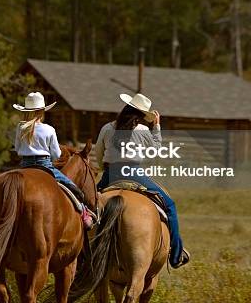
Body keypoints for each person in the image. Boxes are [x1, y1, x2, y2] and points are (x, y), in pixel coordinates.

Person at [94, 91, 190, 269]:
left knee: (86, 205)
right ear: (141, 115)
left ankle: (80, 252)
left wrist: (105, 170)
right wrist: (157, 126)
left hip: (110, 173)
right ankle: (176, 254)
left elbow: (99, 152)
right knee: (170, 206)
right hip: (134, 172)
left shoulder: (107, 128)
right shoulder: (143, 130)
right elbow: (156, 148)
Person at [13, 91, 92, 227]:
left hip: (25, 165)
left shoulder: (21, 127)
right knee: (74, 189)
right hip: (45, 165)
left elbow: (17, 148)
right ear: (42, 111)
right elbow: (56, 154)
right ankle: (84, 214)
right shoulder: (49, 129)